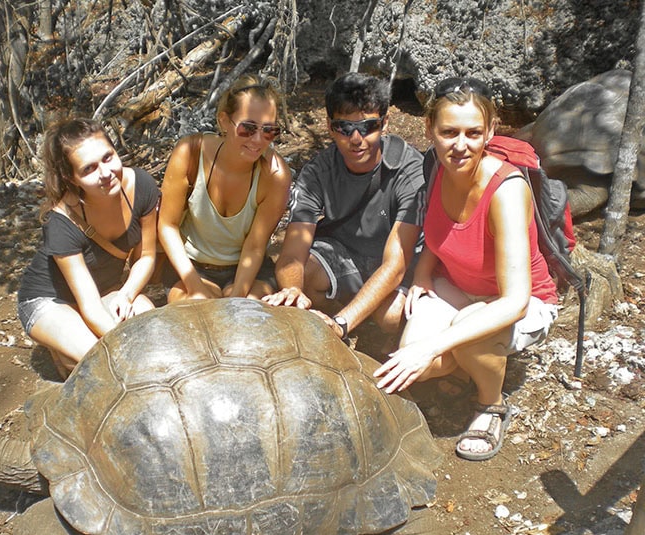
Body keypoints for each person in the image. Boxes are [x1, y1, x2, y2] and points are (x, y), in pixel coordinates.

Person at [374, 77, 559, 461]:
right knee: (418, 363)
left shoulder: (506, 191)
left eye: (473, 133)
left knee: (465, 336)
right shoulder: (437, 168)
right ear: (430, 130)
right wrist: (423, 274)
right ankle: (468, 366)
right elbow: (441, 232)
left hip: (523, 302)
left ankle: (490, 404)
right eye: (449, 132)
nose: (461, 145)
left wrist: (435, 343)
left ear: (490, 131)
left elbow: (514, 302)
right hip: (458, 287)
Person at [262, 72, 425, 347]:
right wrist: (293, 290)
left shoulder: (409, 170)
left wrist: (342, 322)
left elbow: (396, 263)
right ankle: (338, 318)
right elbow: (292, 253)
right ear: (330, 126)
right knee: (304, 275)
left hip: (397, 259)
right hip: (346, 253)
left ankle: (356, 322)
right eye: (345, 128)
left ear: (385, 123)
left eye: (368, 126)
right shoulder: (317, 173)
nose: (357, 138)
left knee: (391, 316)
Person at [17, 117, 158, 378]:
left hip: (105, 291)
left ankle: (71, 352)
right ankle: (65, 349)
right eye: (89, 169)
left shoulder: (141, 186)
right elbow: (90, 306)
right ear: (71, 177)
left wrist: (127, 294)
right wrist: (126, 347)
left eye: (108, 157)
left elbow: (146, 256)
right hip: (51, 300)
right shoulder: (61, 221)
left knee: (148, 322)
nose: (105, 173)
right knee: (105, 361)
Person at [158, 75, 292, 302]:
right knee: (196, 307)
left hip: (247, 270)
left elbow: (255, 246)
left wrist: (237, 299)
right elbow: (167, 225)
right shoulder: (190, 153)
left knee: (248, 311)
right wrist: (194, 286)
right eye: (248, 128)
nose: (258, 140)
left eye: (269, 130)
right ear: (224, 121)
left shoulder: (274, 175)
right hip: (192, 266)